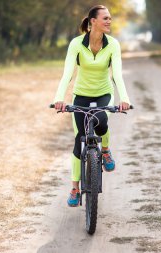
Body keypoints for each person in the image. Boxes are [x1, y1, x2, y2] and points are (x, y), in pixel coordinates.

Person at [53, 5, 131, 207]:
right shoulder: (77, 44)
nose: (109, 21)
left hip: (104, 94)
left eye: (110, 18)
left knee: (102, 122)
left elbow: (117, 75)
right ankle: (75, 188)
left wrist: (124, 98)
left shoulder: (113, 44)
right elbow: (68, 74)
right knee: (79, 139)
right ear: (92, 21)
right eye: (105, 18)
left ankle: (104, 150)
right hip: (81, 95)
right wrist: (60, 98)